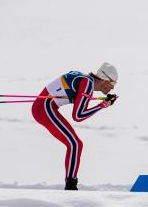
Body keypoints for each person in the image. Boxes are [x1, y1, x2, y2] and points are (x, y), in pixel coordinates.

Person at [31, 62, 119, 190]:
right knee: (75, 144)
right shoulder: (87, 84)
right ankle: (71, 185)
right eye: (113, 83)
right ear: (105, 79)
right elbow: (78, 116)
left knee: (76, 144)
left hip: (45, 107)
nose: (113, 88)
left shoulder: (86, 81)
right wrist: (103, 105)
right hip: (44, 108)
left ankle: (71, 183)